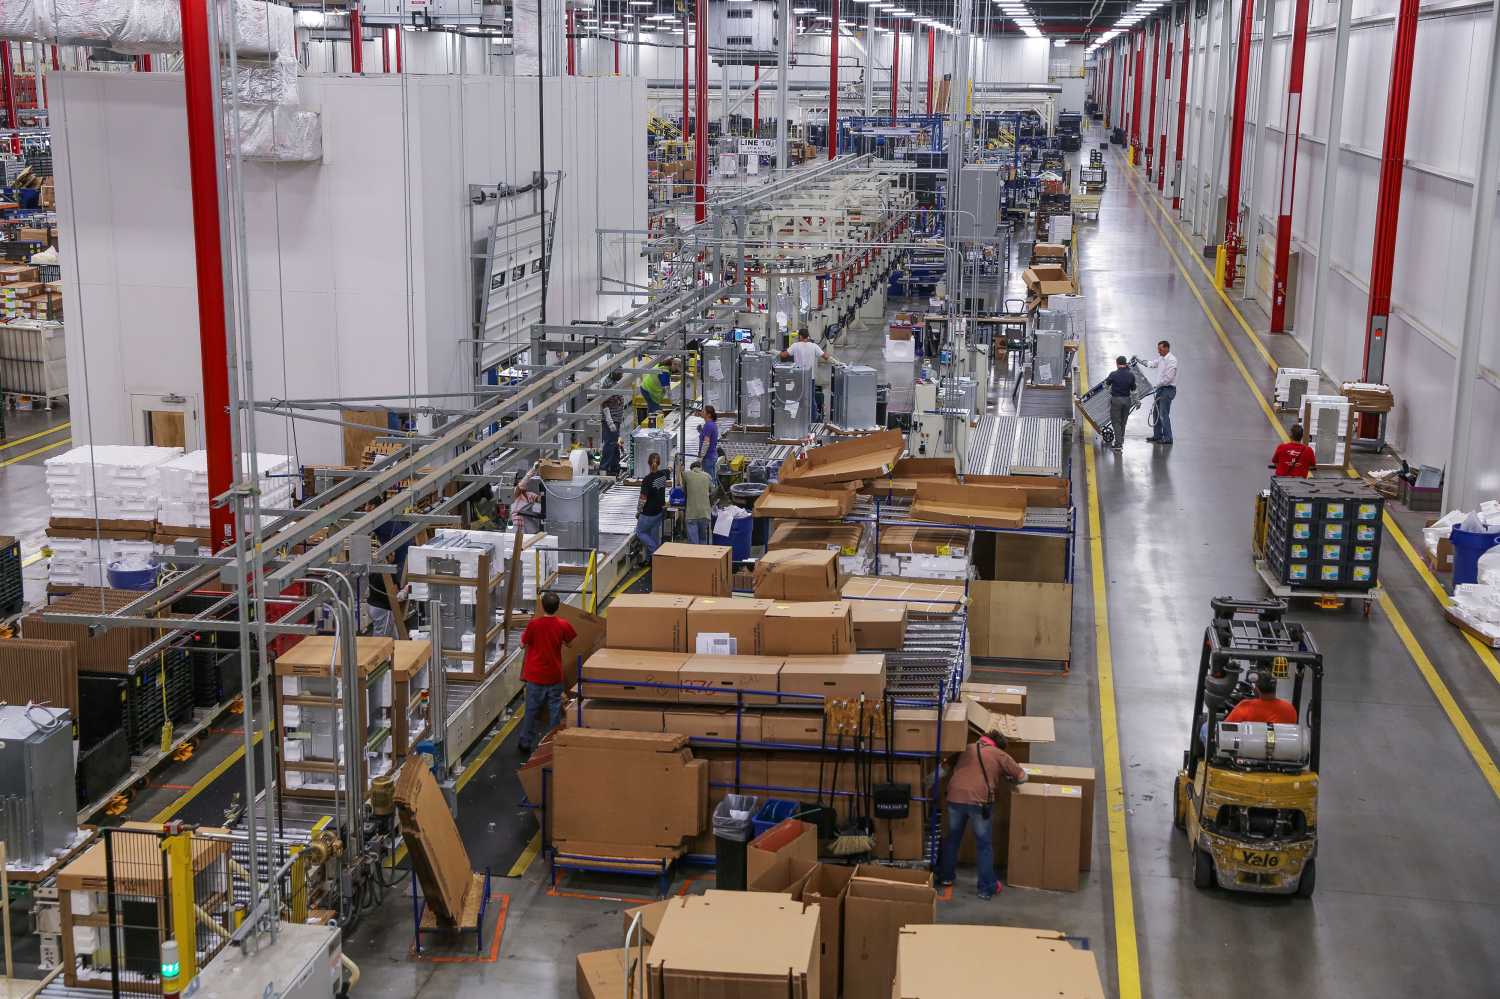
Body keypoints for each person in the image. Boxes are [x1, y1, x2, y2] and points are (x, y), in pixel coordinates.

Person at [937, 730, 1027, 900]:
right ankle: (986, 888)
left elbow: (942, 770)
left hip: (955, 797)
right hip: (979, 802)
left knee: (953, 839)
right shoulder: (1000, 755)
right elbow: (1023, 777)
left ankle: (946, 877)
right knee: (983, 845)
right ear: (998, 745)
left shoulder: (965, 748)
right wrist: (1008, 777)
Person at [517, 590, 577, 755]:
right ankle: (552, 742)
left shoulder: (534, 625)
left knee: (531, 710)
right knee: (554, 710)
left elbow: (522, 645)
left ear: (542, 606)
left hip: (535, 676)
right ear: (557, 607)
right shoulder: (562, 624)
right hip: (554, 676)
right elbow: (571, 643)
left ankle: (525, 742)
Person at [786, 330, 840, 421]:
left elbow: (784, 355)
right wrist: (836, 362)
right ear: (808, 336)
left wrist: (774, 352)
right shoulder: (814, 346)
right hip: (810, 378)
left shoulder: (795, 346)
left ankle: (793, 419)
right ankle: (813, 419)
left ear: (800, 336)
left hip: (797, 377)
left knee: (794, 397)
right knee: (811, 399)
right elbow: (825, 356)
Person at [635, 451, 671, 560]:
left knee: (640, 532)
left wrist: (638, 511)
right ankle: (651, 560)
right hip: (659, 511)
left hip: (648, 513)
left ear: (648, 464)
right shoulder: (664, 474)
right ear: (659, 463)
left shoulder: (647, 480)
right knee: (654, 535)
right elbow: (670, 468)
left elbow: (643, 499)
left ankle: (655, 551)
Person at [1224, 672, 1298, 725]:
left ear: (1257, 689)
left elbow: (1225, 728)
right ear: (1275, 687)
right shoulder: (1289, 709)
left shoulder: (1245, 706)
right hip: (1282, 746)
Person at [1145, 339, 1178, 445]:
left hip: (1167, 390)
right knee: (1156, 412)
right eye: (1158, 349)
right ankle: (1157, 435)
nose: (1158, 351)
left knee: (1163, 413)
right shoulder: (1162, 358)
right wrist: (1141, 361)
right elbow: (1152, 364)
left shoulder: (1172, 360)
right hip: (1160, 389)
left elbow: (1169, 378)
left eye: (1160, 349)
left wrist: (1157, 385)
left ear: (1166, 348)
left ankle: (1168, 438)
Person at [1104, 356, 1136, 451]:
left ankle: (1118, 444)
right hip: (1127, 400)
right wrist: (1137, 402)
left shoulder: (1113, 374)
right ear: (1125, 363)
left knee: (1116, 422)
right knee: (1123, 422)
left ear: (1117, 364)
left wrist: (1109, 389)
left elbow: (1106, 385)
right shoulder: (1131, 375)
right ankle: (1120, 440)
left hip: (1116, 400)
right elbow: (1134, 389)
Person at [683, 460, 714, 544]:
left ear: (691, 468)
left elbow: (683, 490)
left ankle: (694, 556)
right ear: (701, 468)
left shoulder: (686, 474)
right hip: (705, 513)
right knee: (703, 539)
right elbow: (713, 492)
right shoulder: (708, 476)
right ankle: (702, 556)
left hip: (691, 514)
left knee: (693, 544)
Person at [600, 387, 626, 476]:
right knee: (610, 444)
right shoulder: (608, 384)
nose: (621, 375)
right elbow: (604, 404)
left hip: (616, 421)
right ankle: (604, 468)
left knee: (615, 445)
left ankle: (614, 467)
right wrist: (610, 422)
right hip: (611, 422)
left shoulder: (618, 383)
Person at [698, 405, 720, 479]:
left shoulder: (708, 425)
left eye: (703, 411)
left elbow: (706, 443)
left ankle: (713, 490)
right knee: (713, 478)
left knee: (710, 480)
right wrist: (701, 431)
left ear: (709, 414)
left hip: (708, 457)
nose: (701, 412)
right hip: (712, 456)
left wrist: (701, 457)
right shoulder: (712, 424)